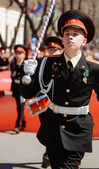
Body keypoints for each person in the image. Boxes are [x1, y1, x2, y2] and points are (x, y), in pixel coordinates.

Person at [20, 9, 99, 168]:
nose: (70, 36)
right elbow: (29, 93)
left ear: (84, 40)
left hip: (78, 128)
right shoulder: (48, 63)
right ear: (62, 38)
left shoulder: (94, 68)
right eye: (67, 33)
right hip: (53, 126)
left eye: (75, 34)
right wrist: (27, 75)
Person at [40, 36, 64, 168]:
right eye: (50, 49)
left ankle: (51, 154)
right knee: (47, 130)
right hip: (43, 103)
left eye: (56, 49)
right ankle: (48, 153)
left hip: (59, 105)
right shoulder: (41, 63)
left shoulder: (64, 63)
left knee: (57, 133)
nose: (52, 51)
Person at [10, 44, 28, 134]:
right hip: (16, 87)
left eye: (20, 53)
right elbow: (12, 77)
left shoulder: (26, 64)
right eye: (16, 53)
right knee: (18, 107)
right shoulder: (13, 64)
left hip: (23, 88)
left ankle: (17, 126)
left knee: (21, 106)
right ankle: (23, 121)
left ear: (24, 54)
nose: (18, 55)